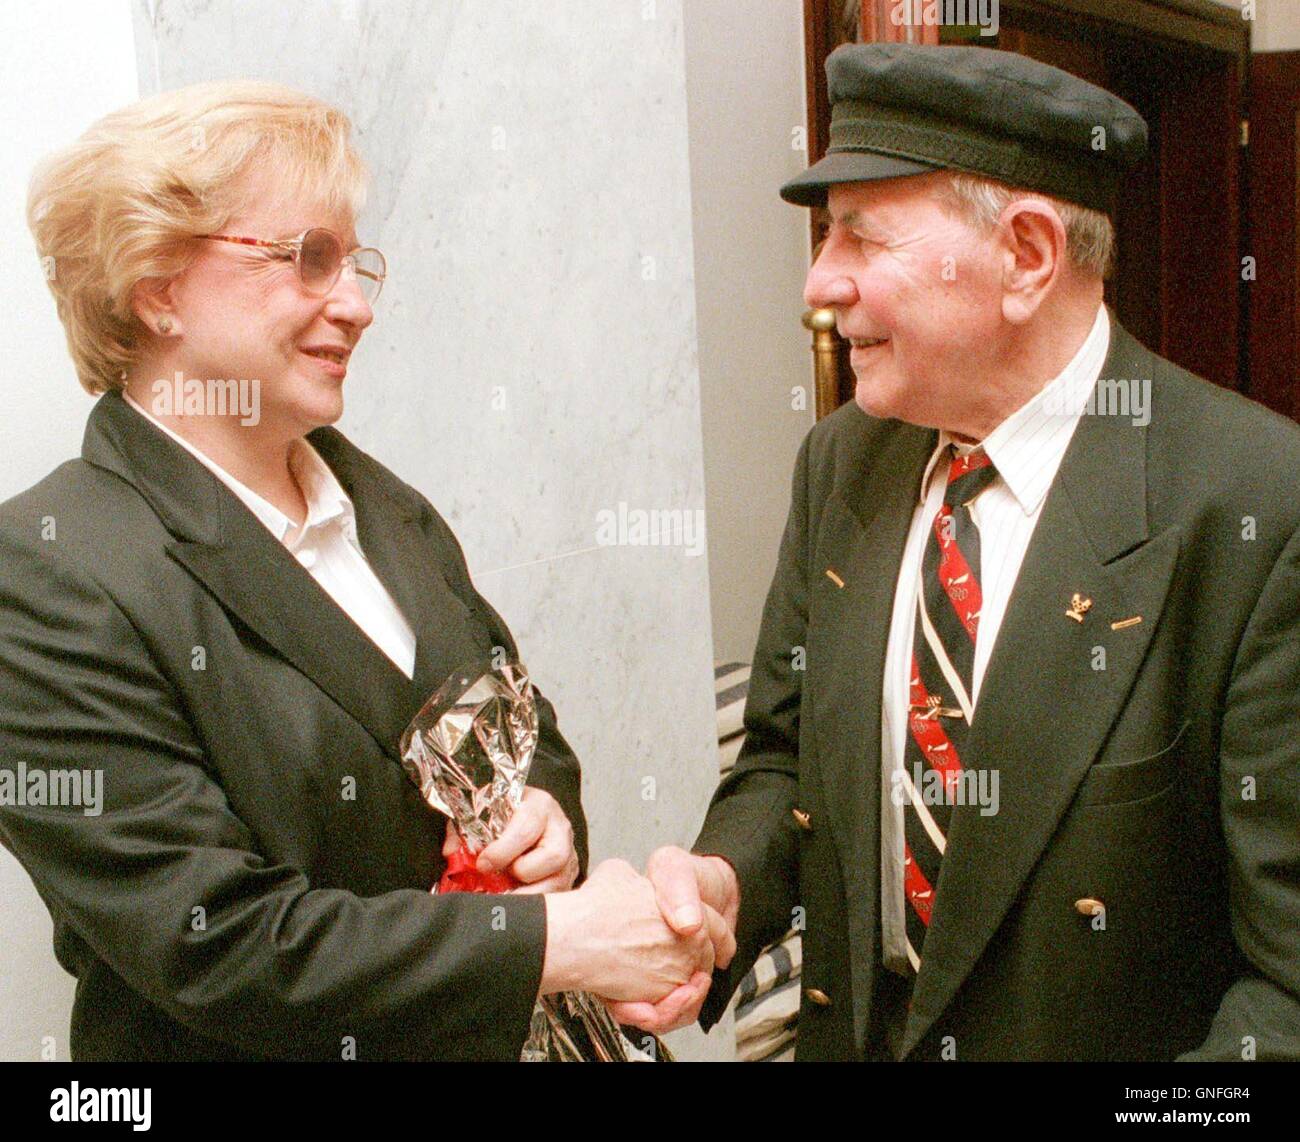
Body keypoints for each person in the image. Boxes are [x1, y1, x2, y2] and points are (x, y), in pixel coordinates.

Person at [0, 79, 716, 1061]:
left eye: (354, 261)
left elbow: (516, 719)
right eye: (308, 260)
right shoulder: (47, 570)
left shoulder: (378, 503)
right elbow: (215, 941)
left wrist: (541, 813)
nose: (359, 305)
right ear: (157, 288)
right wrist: (557, 940)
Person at [615, 43, 1300, 1060]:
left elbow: (1284, 985)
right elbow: (784, 758)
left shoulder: (1254, 504)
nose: (819, 283)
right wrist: (725, 882)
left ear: (1025, 255)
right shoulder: (843, 462)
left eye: (859, 237)